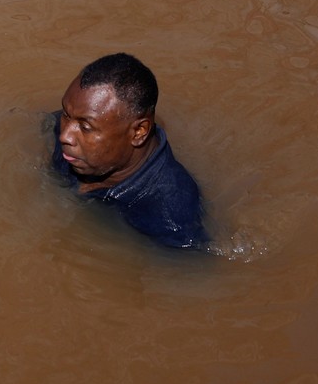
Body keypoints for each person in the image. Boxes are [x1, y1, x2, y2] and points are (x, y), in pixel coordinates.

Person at [50, 53, 209, 250]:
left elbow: (189, 268)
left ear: (139, 132)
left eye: (86, 127)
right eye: (66, 114)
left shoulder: (169, 212)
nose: (65, 135)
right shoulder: (67, 129)